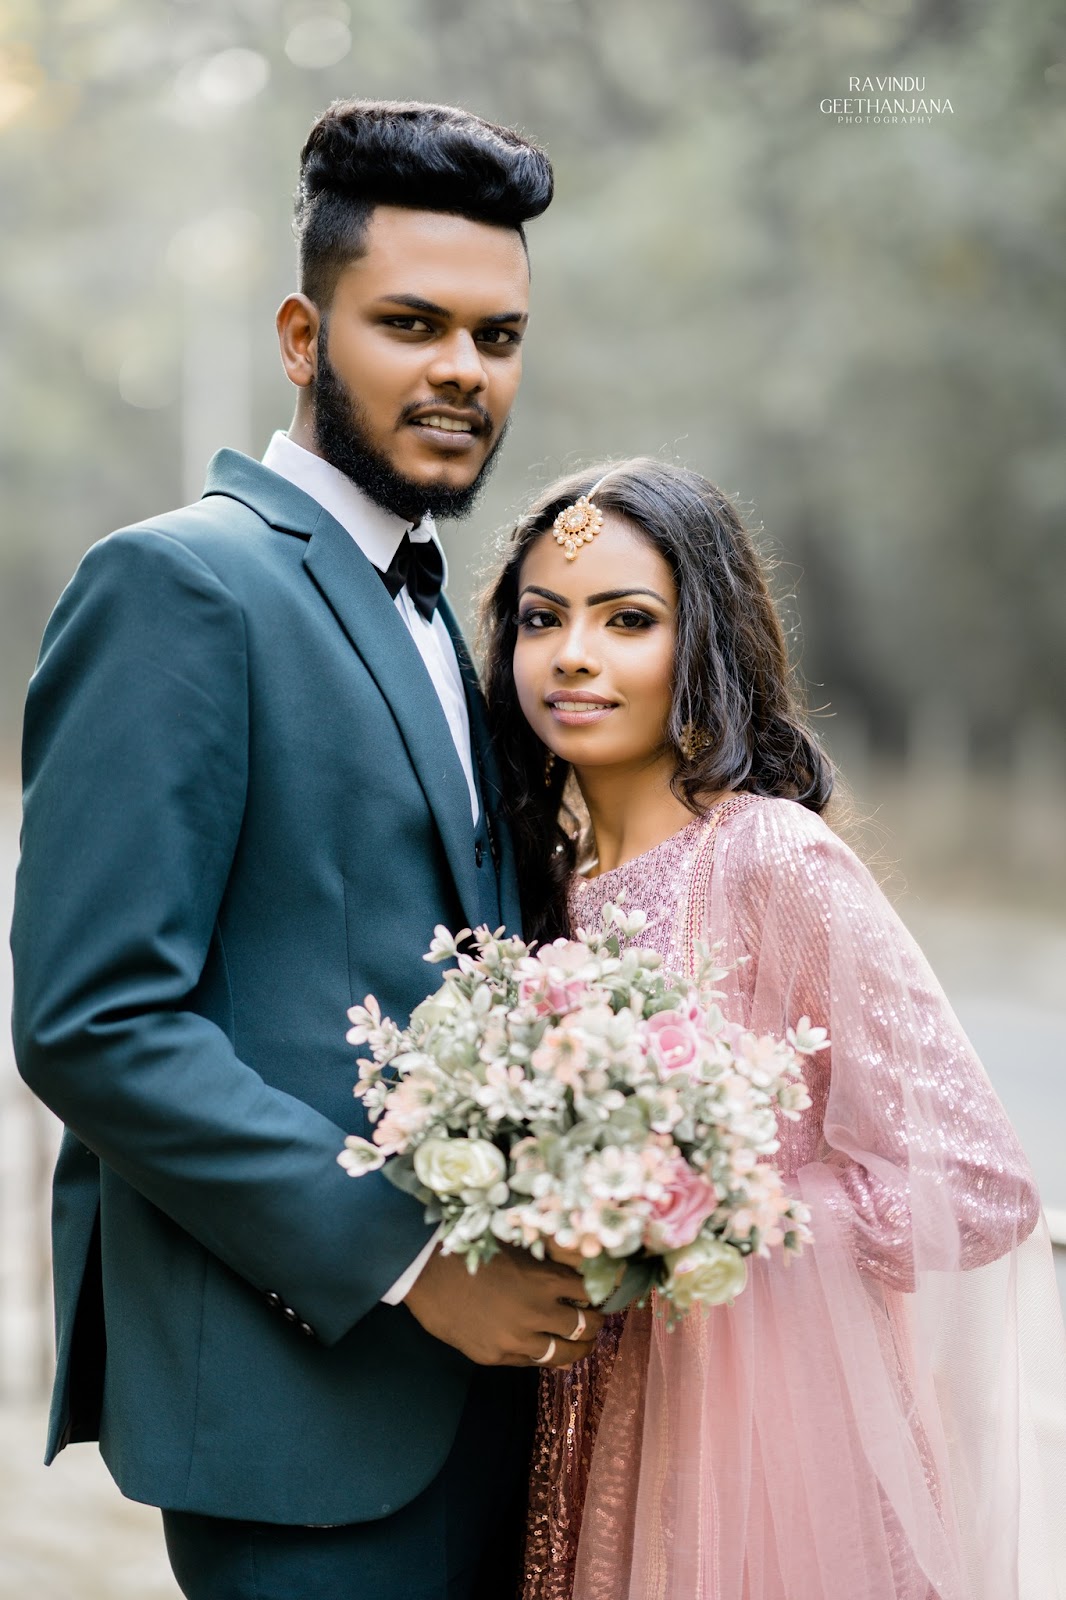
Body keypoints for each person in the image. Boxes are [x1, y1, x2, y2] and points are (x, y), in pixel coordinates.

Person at [10, 100, 605, 1600]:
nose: (462, 369)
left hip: (492, 1411)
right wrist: (414, 1261)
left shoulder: (450, 616)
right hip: (303, 1415)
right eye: (411, 324)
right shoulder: (178, 586)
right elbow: (92, 1019)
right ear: (300, 334)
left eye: (497, 336)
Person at [479, 457, 1066, 1600]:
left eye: (626, 619)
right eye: (542, 619)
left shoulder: (768, 859)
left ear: (703, 640)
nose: (573, 655)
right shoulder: (534, 882)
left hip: (762, 1463)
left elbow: (977, 1184)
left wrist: (706, 1220)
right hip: (572, 1414)